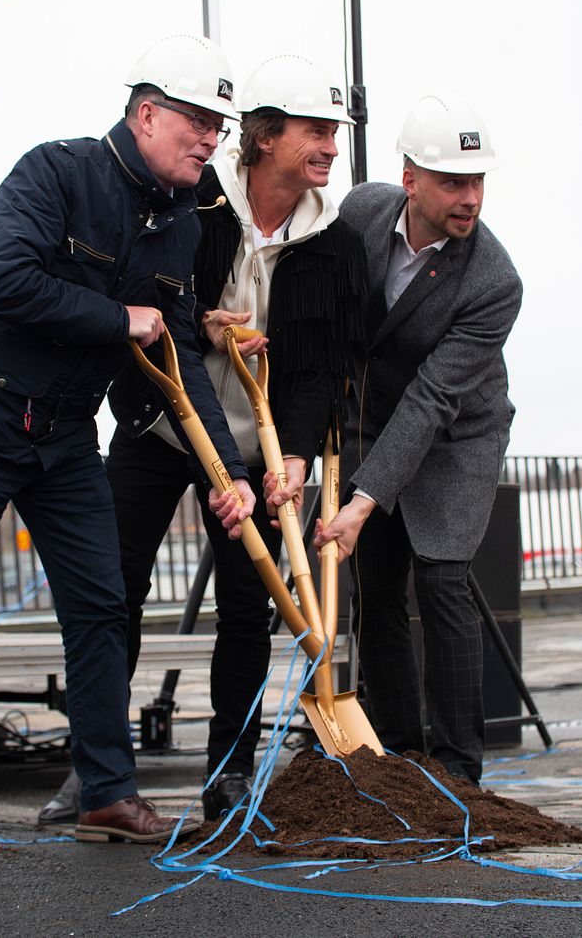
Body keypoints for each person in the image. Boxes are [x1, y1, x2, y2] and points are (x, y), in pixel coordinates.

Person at [0, 33, 254, 856]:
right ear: (146, 112)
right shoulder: (53, 172)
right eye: (197, 119)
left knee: (98, 608)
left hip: (63, 438)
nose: (210, 138)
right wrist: (119, 318)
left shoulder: (185, 228)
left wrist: (227, 472)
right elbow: (4, 282)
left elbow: (180, 353)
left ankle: (107, 793)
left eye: (218, 127)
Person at [38, 54, 367, 825]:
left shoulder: (335, 243)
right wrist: (203, 325)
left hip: (257, 452)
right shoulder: (194, 203)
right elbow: (151, 303)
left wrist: (290, 456)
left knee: (246, 608)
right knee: (110, 589)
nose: (329, 147)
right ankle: (96, 770)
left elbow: (325, 365)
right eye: (315, 131)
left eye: (333, 133)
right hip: (160, 425)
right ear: (263, 136)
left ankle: (229, 771)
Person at [313, 93, 523, 785]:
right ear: (410, 181)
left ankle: (459, 770)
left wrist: (363, 498)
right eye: (454, 182)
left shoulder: (494, 280)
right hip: (379, 414)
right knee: (375, 580)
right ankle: (399, 756)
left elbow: (434, 398)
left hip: (458, 429)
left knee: (439, 577)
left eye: (479, 181)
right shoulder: (363, 211)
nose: (471, 197)